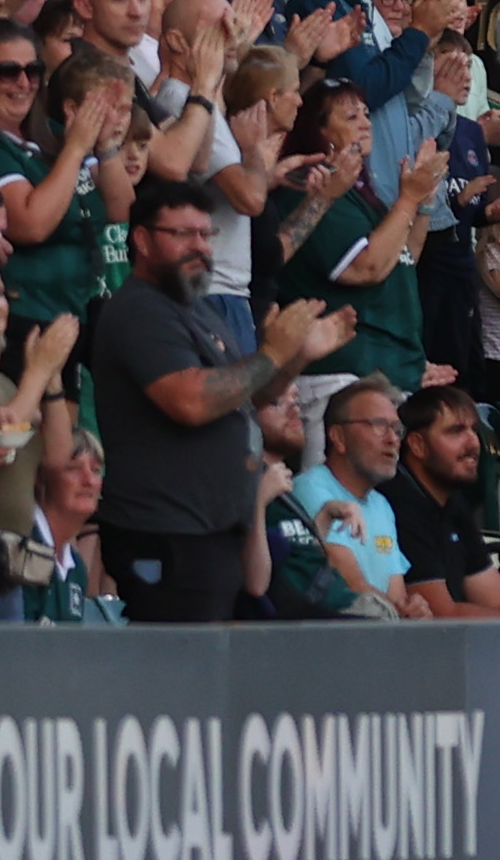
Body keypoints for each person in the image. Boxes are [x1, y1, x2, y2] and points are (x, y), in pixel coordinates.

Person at [89, 174, 352, 621]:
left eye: (206, 234)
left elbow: (250, 394)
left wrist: (297, 357)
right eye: (183, 234)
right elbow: (191, 402)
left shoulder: (198, 308)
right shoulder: (140, 310)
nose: (200, 247)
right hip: (166, 532)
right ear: (143, 241)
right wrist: (274, 351)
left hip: (212, 532)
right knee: (184, 658)